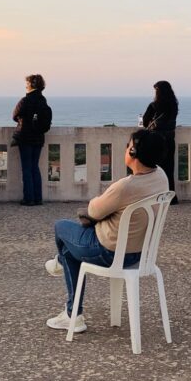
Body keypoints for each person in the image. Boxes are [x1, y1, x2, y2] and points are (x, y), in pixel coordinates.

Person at [43, 128, 170, 333]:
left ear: (133, 153)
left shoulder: (125, 187)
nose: (126, 149)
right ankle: (69, 303)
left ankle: (72, 310)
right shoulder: (161, 177)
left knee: (61, 227)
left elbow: (94, 210)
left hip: (108, 252)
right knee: (69, 251)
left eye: (128, 146)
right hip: (139, 253)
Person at [12, 73, 51, 206]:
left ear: (31, 85)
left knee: (27, 168)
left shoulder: (25, 100)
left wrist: (23, 120)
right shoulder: (43, 101)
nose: (26, 86)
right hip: (38, 138)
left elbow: (15, 115)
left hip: (25, 138)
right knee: (35, 167)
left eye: (27, 83)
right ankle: (38, 198)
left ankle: (29, 198)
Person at [143, 80, 178, 202]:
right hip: (170, 140)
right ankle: (171, 197)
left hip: (156, 141)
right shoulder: (174, 105)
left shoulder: (154, 105)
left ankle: (156, 196)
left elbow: (145, 122)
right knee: (169, 168)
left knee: (155, 169)